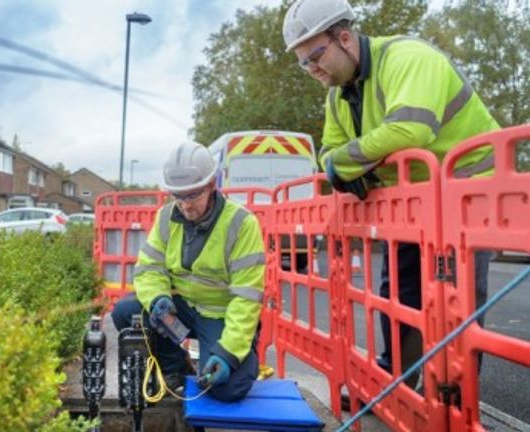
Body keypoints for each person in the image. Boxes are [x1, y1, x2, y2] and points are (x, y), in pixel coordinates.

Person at [282, 0, 498, 396]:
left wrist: (344, 167)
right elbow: (327, 151)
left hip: (469, 195)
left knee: (457, 301)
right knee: (399, 295)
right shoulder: (336, 96)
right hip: (411, 205)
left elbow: (409, 131)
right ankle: (395, 384)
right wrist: (345, 164)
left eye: (315, 56)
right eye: (303, 63)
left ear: (344, 38)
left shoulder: (407, 57)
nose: (312, 69)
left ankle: (454, 397)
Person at [111, 142, 265, 402]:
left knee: (227, 390)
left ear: (211, 185)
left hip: (221, 316)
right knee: (126, 313)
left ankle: (242, 354)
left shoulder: (242, 224)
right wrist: (158, 299)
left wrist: (228, 353)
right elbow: (149, 268)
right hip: (180, 308)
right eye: (177, 196)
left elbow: (247, 297)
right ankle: (175, 368)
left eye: (192, 196)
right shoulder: (165, 217)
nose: (184, 205)